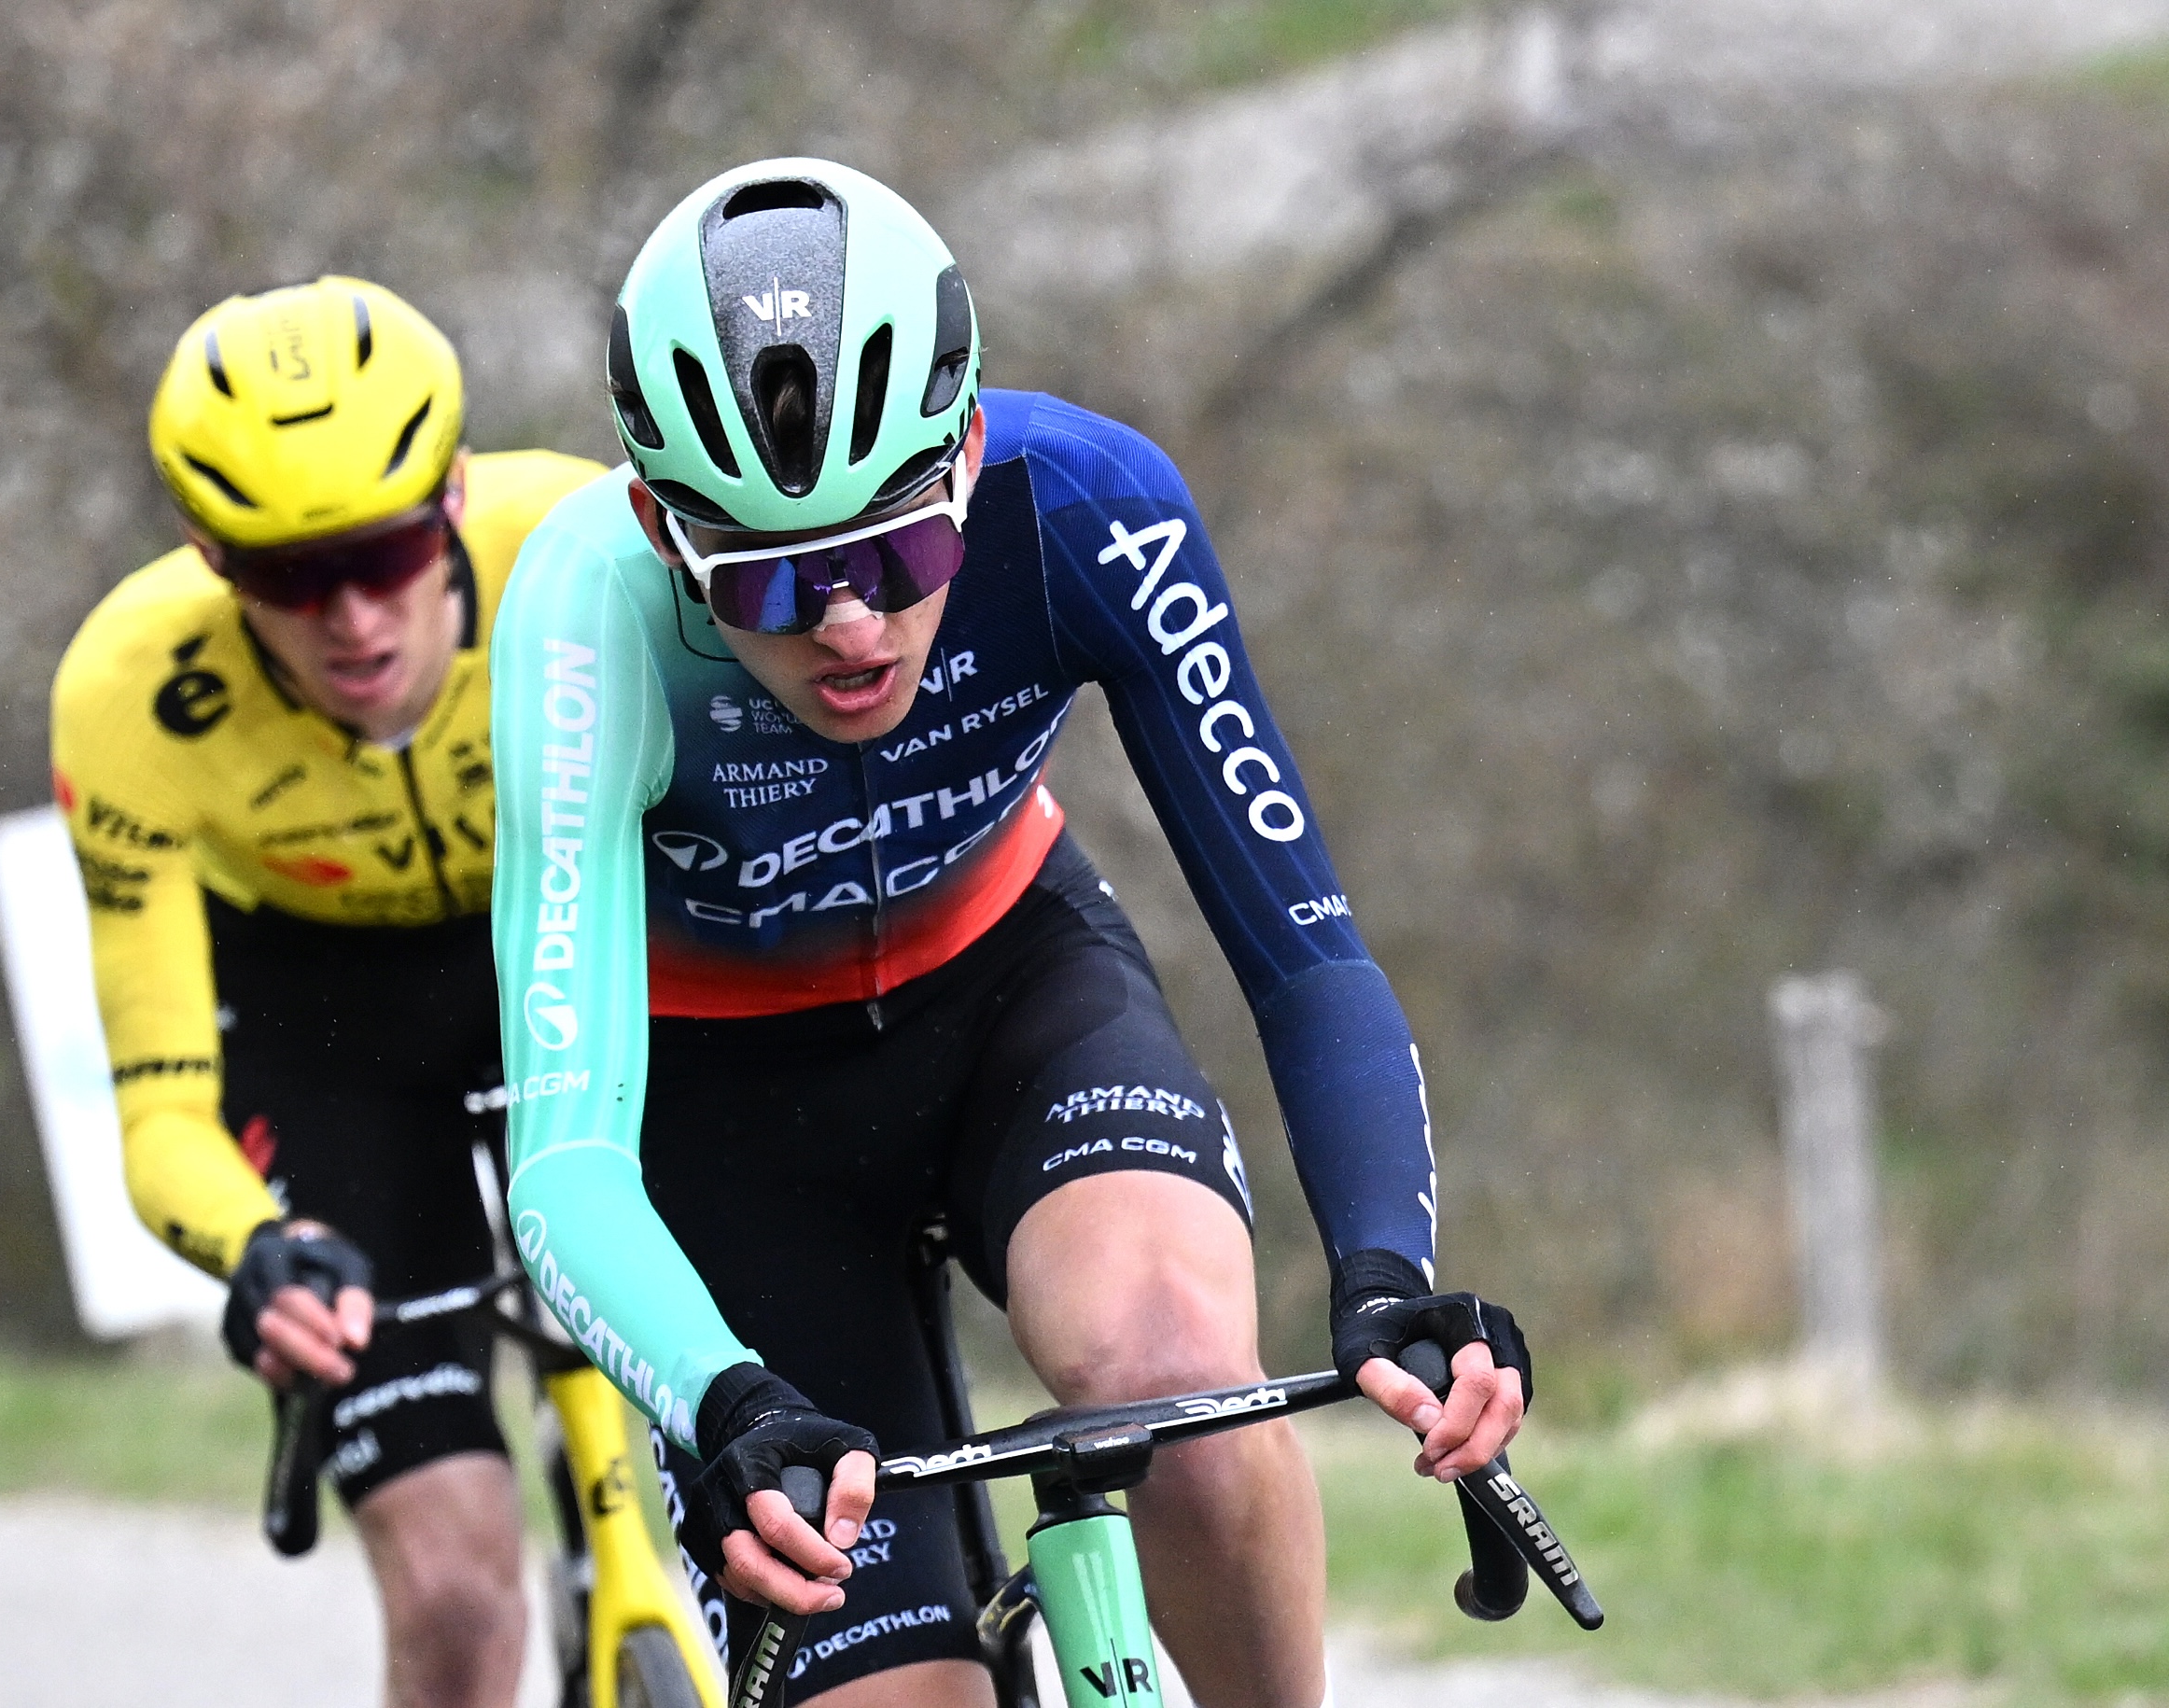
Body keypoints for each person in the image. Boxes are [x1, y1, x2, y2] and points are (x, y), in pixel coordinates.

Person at [486, 161, 1532, 1708]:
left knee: (1182, 1382)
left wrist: (1386, 1267)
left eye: (899, 553)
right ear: (659, 525)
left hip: (1010, 1005)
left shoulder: (1084, 505)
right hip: (725, 1105)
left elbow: (1303, 953)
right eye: (773, 578)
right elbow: (565, 1158)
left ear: (964, 456)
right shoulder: (586, 616)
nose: (849, 624)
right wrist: (720, 1400)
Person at [52, 278, 601, 1708]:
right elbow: (164, 1110)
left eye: (385, 551)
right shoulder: (128, 692)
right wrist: (258, 1252)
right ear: (208, 558)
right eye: (289, 577)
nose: (350, 617)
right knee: (461, 1596)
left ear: (455, 497)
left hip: (580, 963)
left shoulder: (584, 544)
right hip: (331, 1037)